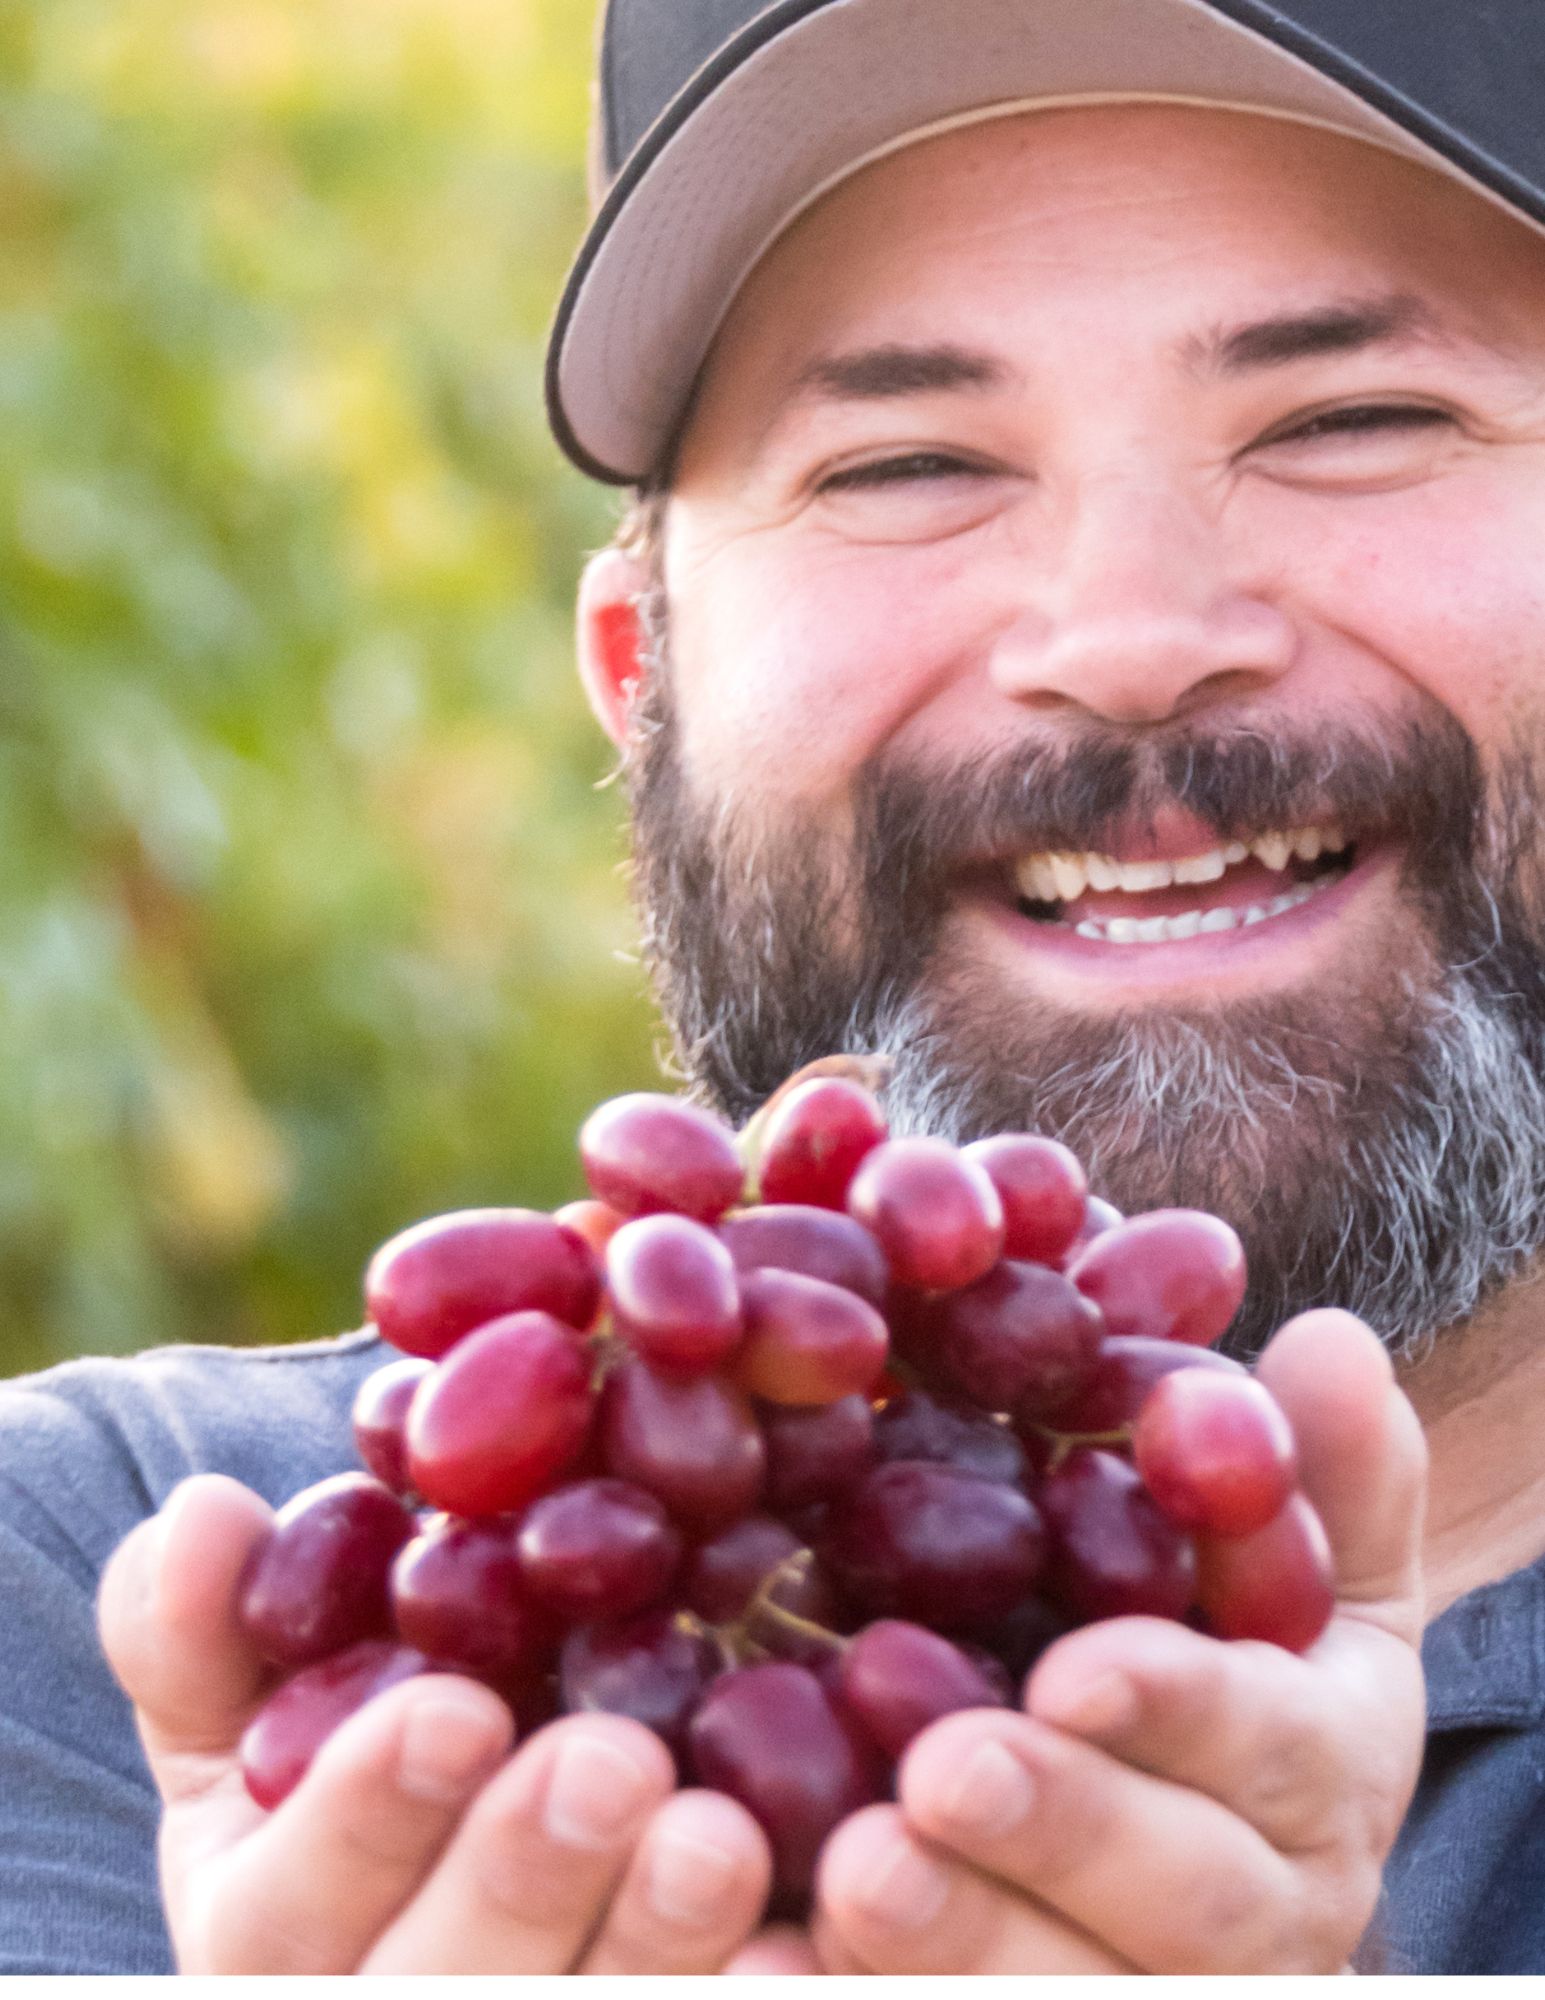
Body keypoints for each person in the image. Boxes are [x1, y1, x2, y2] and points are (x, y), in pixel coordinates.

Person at [4, 0, 1545, 1974]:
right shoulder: (97, 1625)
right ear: (640, 695)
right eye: (903, 460)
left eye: (1349, 422)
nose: (1129, 639)